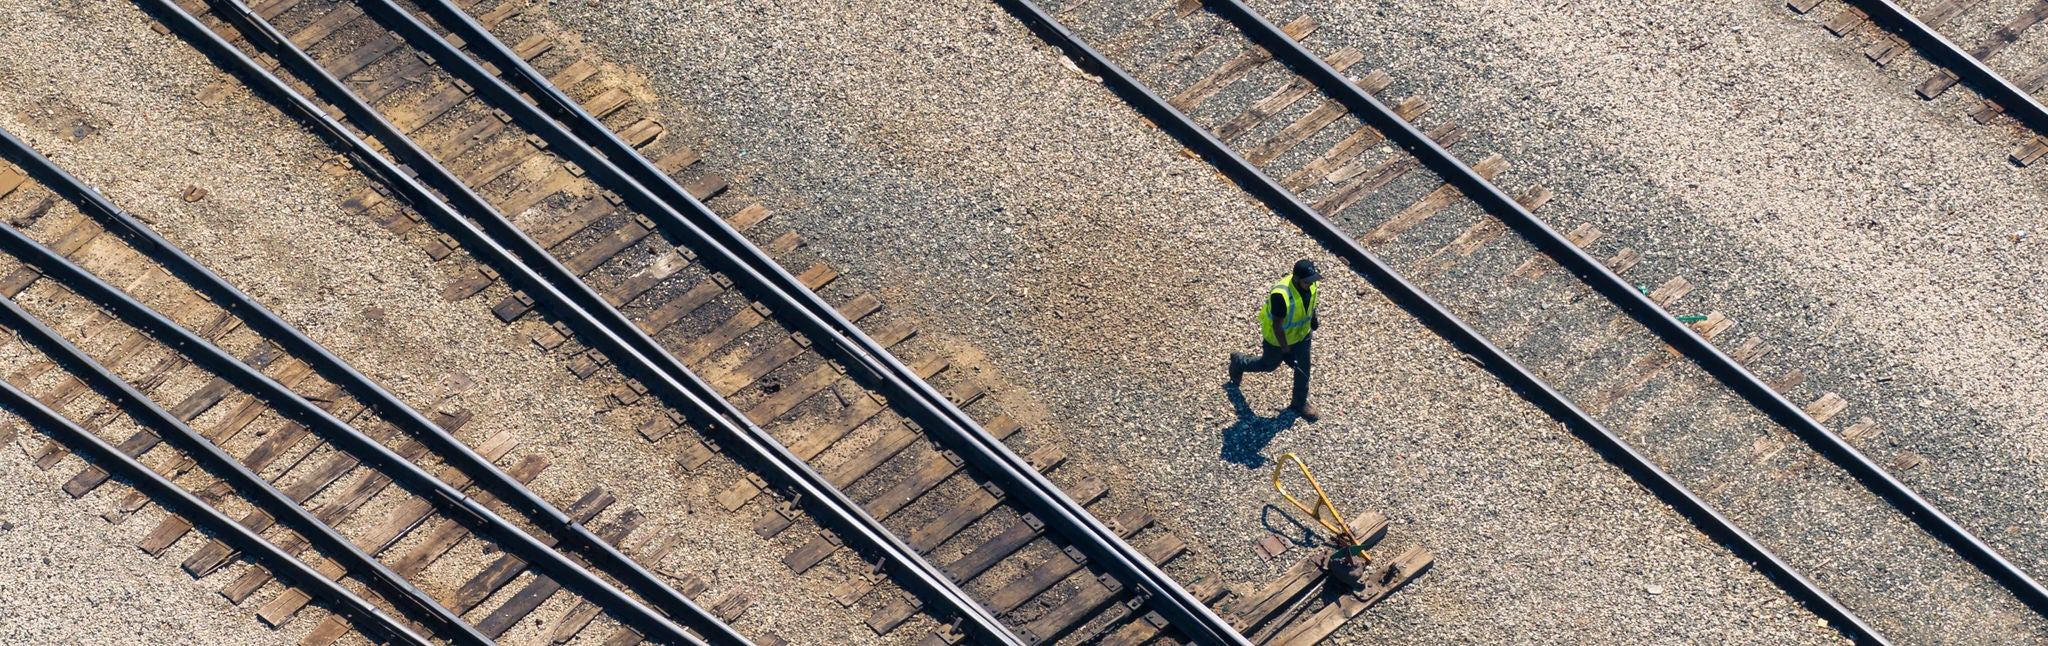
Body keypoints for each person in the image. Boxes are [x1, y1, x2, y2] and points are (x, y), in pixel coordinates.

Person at [1229, 259, 1322, 421]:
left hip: (1302, 335)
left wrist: (1314, 318)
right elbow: (1277, 324)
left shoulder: (1312, 284)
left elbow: (1311, 302)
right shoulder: (1281, 295)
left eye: (1312, 280)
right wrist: (1285, 349)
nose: (1310, 284)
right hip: (1278, 340)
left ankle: (1299, 402)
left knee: (1303, 368)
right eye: (1307, 281)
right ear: (1296, 278)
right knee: (1268, 365)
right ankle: (1239, 362)